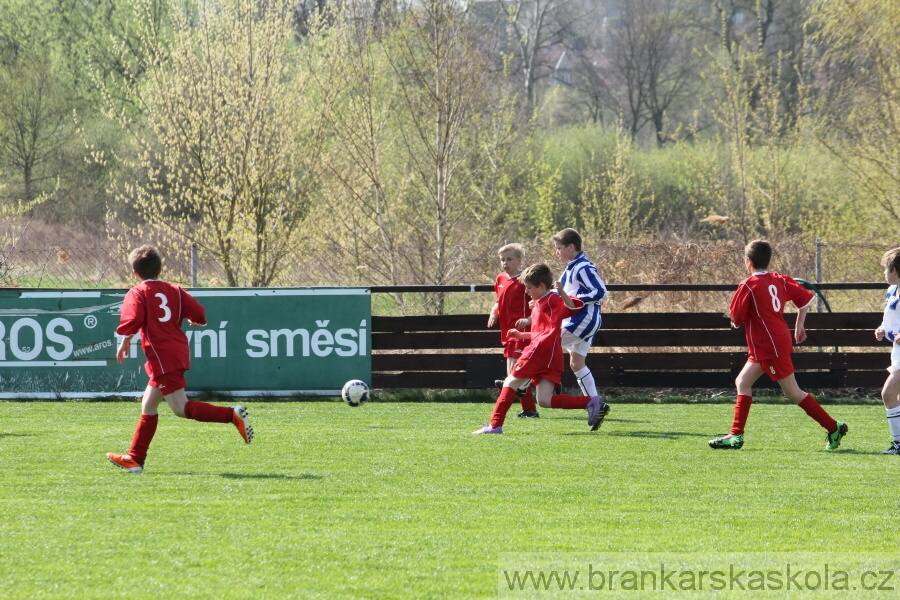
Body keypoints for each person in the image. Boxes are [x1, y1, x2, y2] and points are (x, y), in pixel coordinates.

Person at [107, 245, 253, 474]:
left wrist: (124, 340)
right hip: (176, 352)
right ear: (160, 268)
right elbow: (199, 312)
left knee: (180, 408)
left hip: (161, 356)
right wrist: (198, 321)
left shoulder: (137, 292)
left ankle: (231, 415)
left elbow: (133, 318)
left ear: (135, 273)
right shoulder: (174, 289)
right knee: (148, 404)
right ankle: (134, 459)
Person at [709, 240, 848, 450]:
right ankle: (736, 435)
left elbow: (736, 318)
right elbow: (806, 299)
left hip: (768, 343)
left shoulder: (748, 284)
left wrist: (735, 318)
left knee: (792, 392)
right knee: (742, 382)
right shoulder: (779, 279)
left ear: (748, 262)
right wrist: (799, 326)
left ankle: (833, 427)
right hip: (770, 341)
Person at [473, 263, 610, 434]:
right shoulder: (539, 303)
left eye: (529, 288)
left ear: (542, 286)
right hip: (551, 355)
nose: (527, 292)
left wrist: (560, 293)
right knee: (544, 400)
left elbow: (576, 306)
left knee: (510, 382)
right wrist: (521, 336)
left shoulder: (553, 299)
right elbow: (543, 332)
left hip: (539, 351)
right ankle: (590, 402)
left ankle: (495, 425)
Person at [551, 228, 607, 398]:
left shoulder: (583, 267)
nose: (557, 252)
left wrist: (573, 299)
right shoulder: (571, 267)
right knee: (576, 363)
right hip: (581, 320)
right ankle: (596, 404)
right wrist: (539, 300)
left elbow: (601, 292)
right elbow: (558, 291)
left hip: (583, 321)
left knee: (547, 343)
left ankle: (521, 383)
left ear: (570, 247)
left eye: (559, 248)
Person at [487, 243, 539, 418]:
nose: (505, 263)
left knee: (514, 373)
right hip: (508, 333)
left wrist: (530, 319)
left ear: (519, 260)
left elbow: (541, 303)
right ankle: (529, 408)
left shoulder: (526, 280)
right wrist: (494, 311)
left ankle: (528, 407)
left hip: (522, 332)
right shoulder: (500, 279)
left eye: (509, 259)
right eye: (502, 260)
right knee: (513, 374)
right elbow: (498, 299)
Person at [874, 247, 900, 454]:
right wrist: (883, 329)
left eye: (886, 268)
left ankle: (898, 444)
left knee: (888, 393)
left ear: (895, 270)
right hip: (896, 352)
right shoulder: (892, 291)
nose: (884, 273)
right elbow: (890, 318)